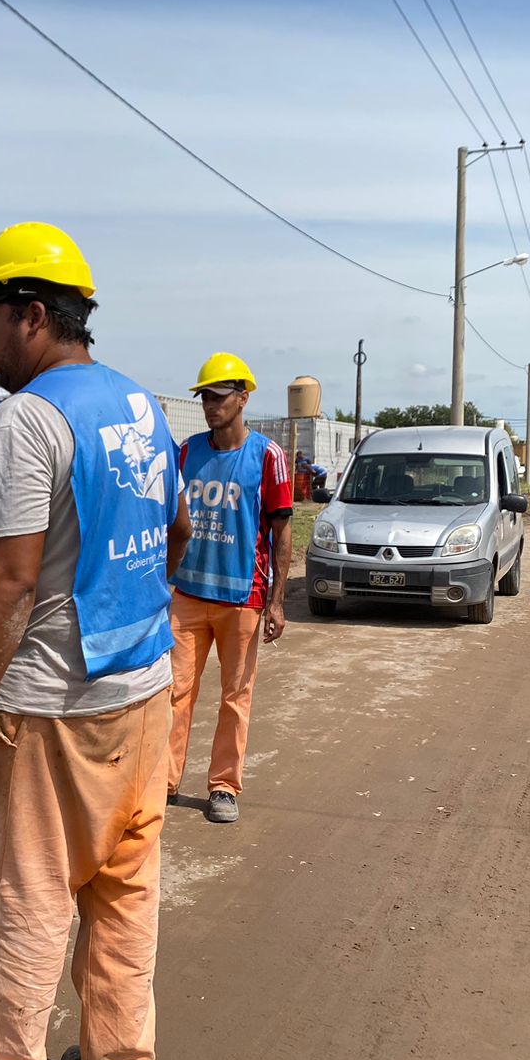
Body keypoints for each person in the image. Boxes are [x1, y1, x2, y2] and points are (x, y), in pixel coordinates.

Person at [0, 222, 191, 1060]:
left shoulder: (29, 422)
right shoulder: (143, 404)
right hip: (145, 686)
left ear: (34, 315)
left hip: (57, 703)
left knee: (33, 893)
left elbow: (11, 584)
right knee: (123, 887)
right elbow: (177, 531)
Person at [166, 353, 293, 825]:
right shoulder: (186, 452)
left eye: (219, 397)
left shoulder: (267, 457)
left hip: (243, 598)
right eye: (205, 397)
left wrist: (277, 601)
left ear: (243, 398)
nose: (210, 406)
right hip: (187, 596)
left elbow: (282, 533)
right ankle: (165, 780)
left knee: (234, 697)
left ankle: (223, 786)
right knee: (175, 692)